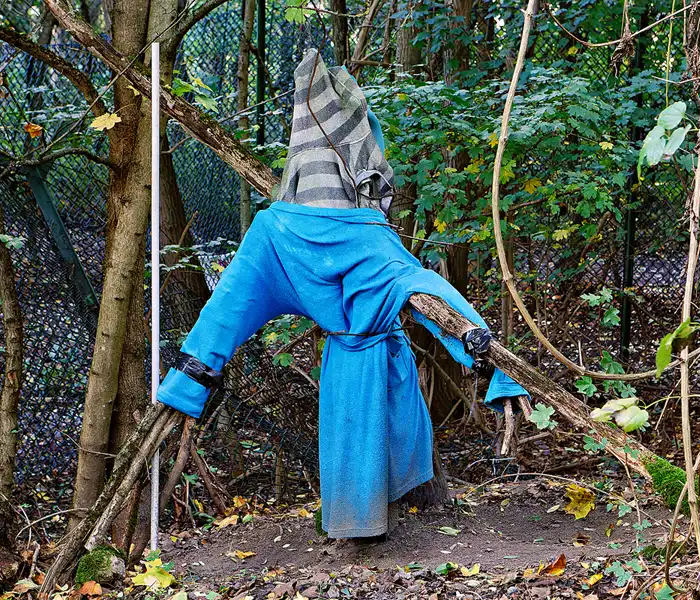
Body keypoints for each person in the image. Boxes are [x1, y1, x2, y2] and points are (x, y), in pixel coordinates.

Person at [157, 48, 529, 539]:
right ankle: (370, 525)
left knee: (358, 443)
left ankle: (369, 522)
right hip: (372, 355)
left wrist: (189, 380)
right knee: (379, 441)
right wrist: (491, 363)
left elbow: (227, 307)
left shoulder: (273, 233)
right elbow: (428, 288)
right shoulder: (365, 236)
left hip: (350, 361)